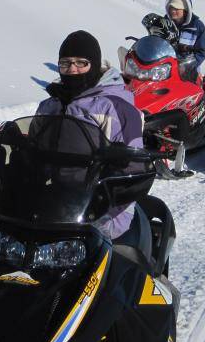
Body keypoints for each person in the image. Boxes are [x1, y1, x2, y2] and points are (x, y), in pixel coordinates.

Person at [37, 30, 144, 239]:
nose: (72, 70)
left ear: (94, 65)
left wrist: (106, 209)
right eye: (65, 63)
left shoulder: (116, 107)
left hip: (99, 208)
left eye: (81, 63)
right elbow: (33, 151)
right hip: (51, 202)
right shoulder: (50, 105)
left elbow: (134, 165)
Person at [164, 0, 205, 70]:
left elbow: (200, 53)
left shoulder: (197, 26)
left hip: (188, 69)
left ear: (185, 9)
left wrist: (187, 66)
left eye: (176, 8)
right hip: (165, 67)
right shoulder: (164, 23)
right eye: (171, 8)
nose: (173, 11)